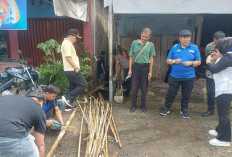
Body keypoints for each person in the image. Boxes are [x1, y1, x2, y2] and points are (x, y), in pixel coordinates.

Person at [160, 29, 201, 118]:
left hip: (189, 77)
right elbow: (168, 60)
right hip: (175, 76)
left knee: (186, 94)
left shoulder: (194, 48)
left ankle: (184, 110)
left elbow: (199, 62)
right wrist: (174, 61)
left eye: (188, 37)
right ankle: (166, 108)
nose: (187, 39)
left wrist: (191, 63)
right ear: (180, 38)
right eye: (185, 37)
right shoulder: (175, 47)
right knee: (171, 92)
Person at [0, 88, 46, 157]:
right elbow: (40, 145)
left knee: (29, 137)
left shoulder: (8, 97)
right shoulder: (38, 108)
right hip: (12, 141)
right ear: (41, 102)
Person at [206, 37, 232, 147]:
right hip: (222, 88)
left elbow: (214, 69)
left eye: (219, 47)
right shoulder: (227, 56)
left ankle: (224, 139)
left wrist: (208, 61)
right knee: (221, 112)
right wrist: (217, 57)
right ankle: (219, 130)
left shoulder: (229, 57)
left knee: (224, 114)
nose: (218, 49)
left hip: (225, 89)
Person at [128, 27, 156, 112]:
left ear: (149, 37)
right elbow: (131, 57)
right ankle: (133, 106)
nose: (144, 39)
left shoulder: (150, 45)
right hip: (136, 67)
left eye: (146, 37)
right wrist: (130, 69)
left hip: (145, 68)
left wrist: (150, 71)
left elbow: (151, 58)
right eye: (143, 36)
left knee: (144, 88)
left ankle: (143, 106)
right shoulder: (134, 43)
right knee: (134, 88)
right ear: (141, 34)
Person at [61, 29, 87, 111]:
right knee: (83, 84)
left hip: (69, 69)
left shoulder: (67, 43)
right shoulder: (67, 44)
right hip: (71, 69)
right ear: (71, 36)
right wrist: (76, 67)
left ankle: (68, 106)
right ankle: (67, 98)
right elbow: (68, 57)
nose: (76, 39)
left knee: (73, 87)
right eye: (76, 37)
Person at [201, 31, 225, 117]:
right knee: (210, 92)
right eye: (217, 41)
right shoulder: (209, 46)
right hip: (210, 73)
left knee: (222, 92)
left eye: (221, 41)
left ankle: (222, 111)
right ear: (214, 40)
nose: (219, 43)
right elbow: (207, 57)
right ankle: (210, 110)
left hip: (222, 73)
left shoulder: (227, 47)